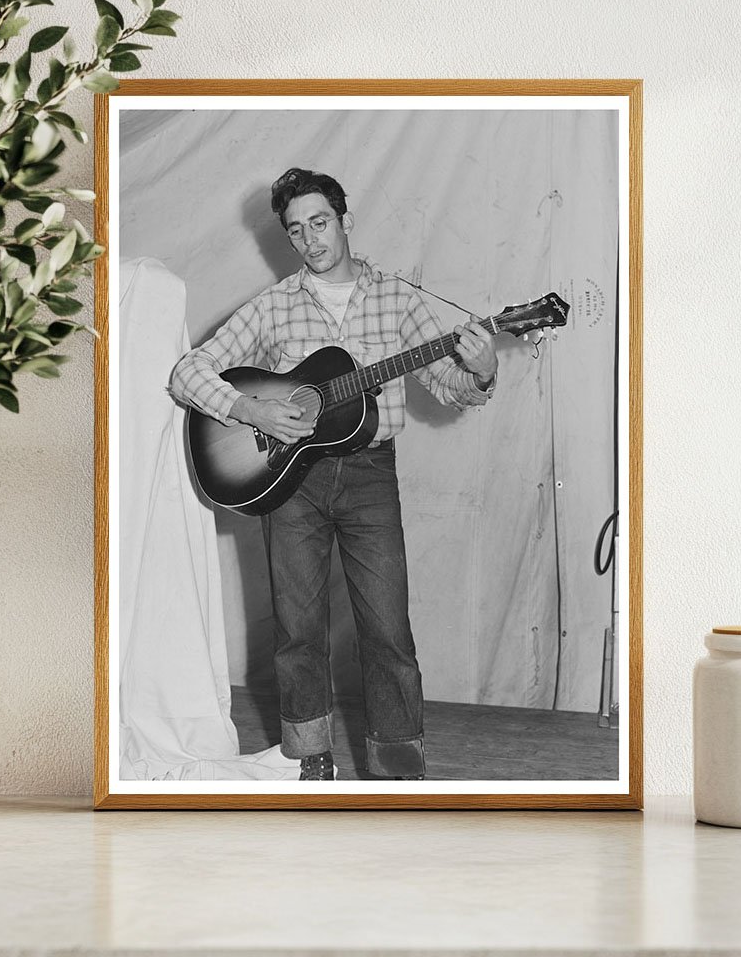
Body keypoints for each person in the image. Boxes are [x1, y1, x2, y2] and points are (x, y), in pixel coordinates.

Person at [169, 167, 498, 781]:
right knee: (298, 629)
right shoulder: (272, 306)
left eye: (320, 223)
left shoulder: (398, 297)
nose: (310, 240)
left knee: (387, 625)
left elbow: (449, 384)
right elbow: (189, 371)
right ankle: (307, 760)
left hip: (372, 475)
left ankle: (397, 759)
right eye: (296, 231)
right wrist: (251, 407)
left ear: (345, 220)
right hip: (292, 483)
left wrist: (480, 371)